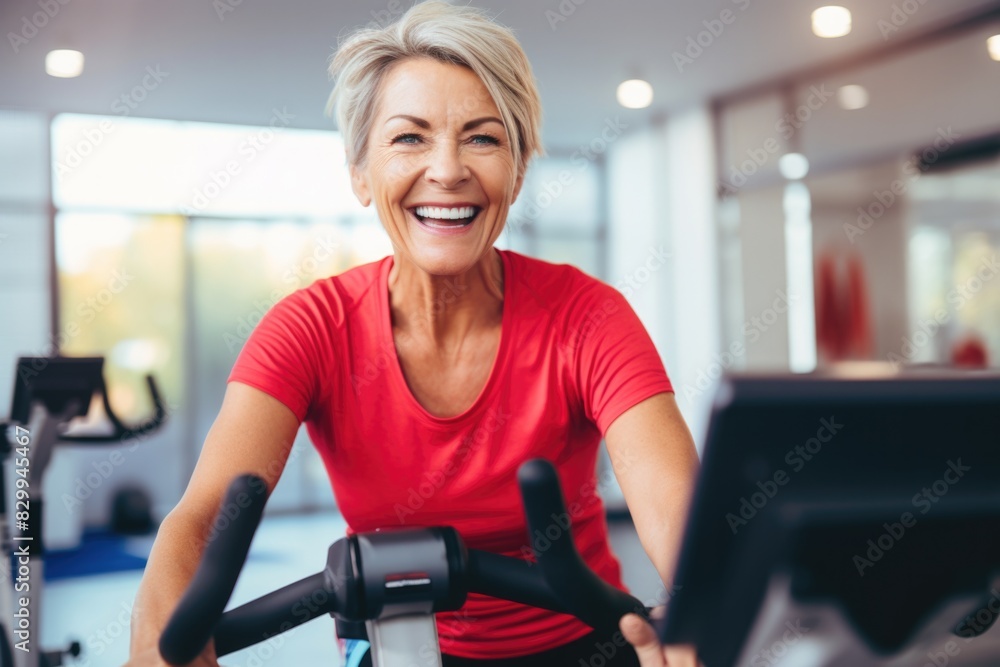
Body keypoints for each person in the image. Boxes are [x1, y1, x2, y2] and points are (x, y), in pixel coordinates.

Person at [125, 2, 699, 665]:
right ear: (360, 174)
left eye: (482, 137)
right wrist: (158, 637)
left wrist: (698, 610)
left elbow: (672, 499)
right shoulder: (311, 329)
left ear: (516, 170)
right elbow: (201, 515)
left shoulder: (586, 315)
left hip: (582, 639)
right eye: (409, 138)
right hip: (397, 639)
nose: (448, 169)